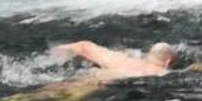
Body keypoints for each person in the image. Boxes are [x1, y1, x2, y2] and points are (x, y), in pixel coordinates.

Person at [51, 39, 182, 79]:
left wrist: (52, 54)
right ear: (168, 62)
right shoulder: (160, 72)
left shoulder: (123, 58)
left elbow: (84, 46)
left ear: (149, 54)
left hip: (88, 75)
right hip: (97, 84)